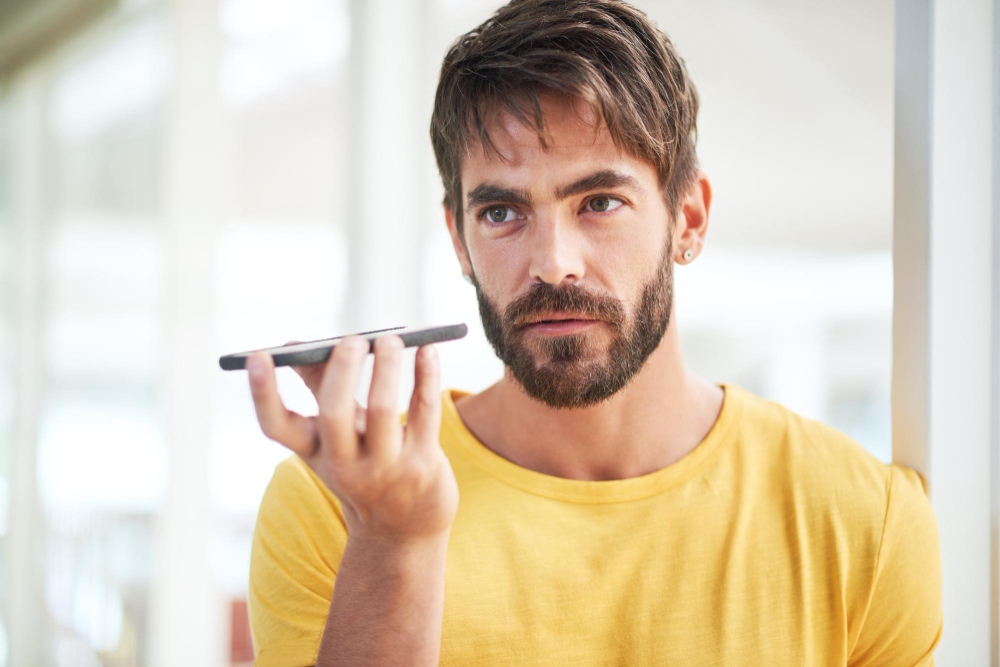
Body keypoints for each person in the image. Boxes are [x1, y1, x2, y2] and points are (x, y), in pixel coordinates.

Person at [244, 1, 942, 665]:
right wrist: (394, 546)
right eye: (501, 213)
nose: (553, 263)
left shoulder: (864, 521)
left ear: (689, 218)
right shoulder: (339, 507)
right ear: (459, 240)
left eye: (599, 201)